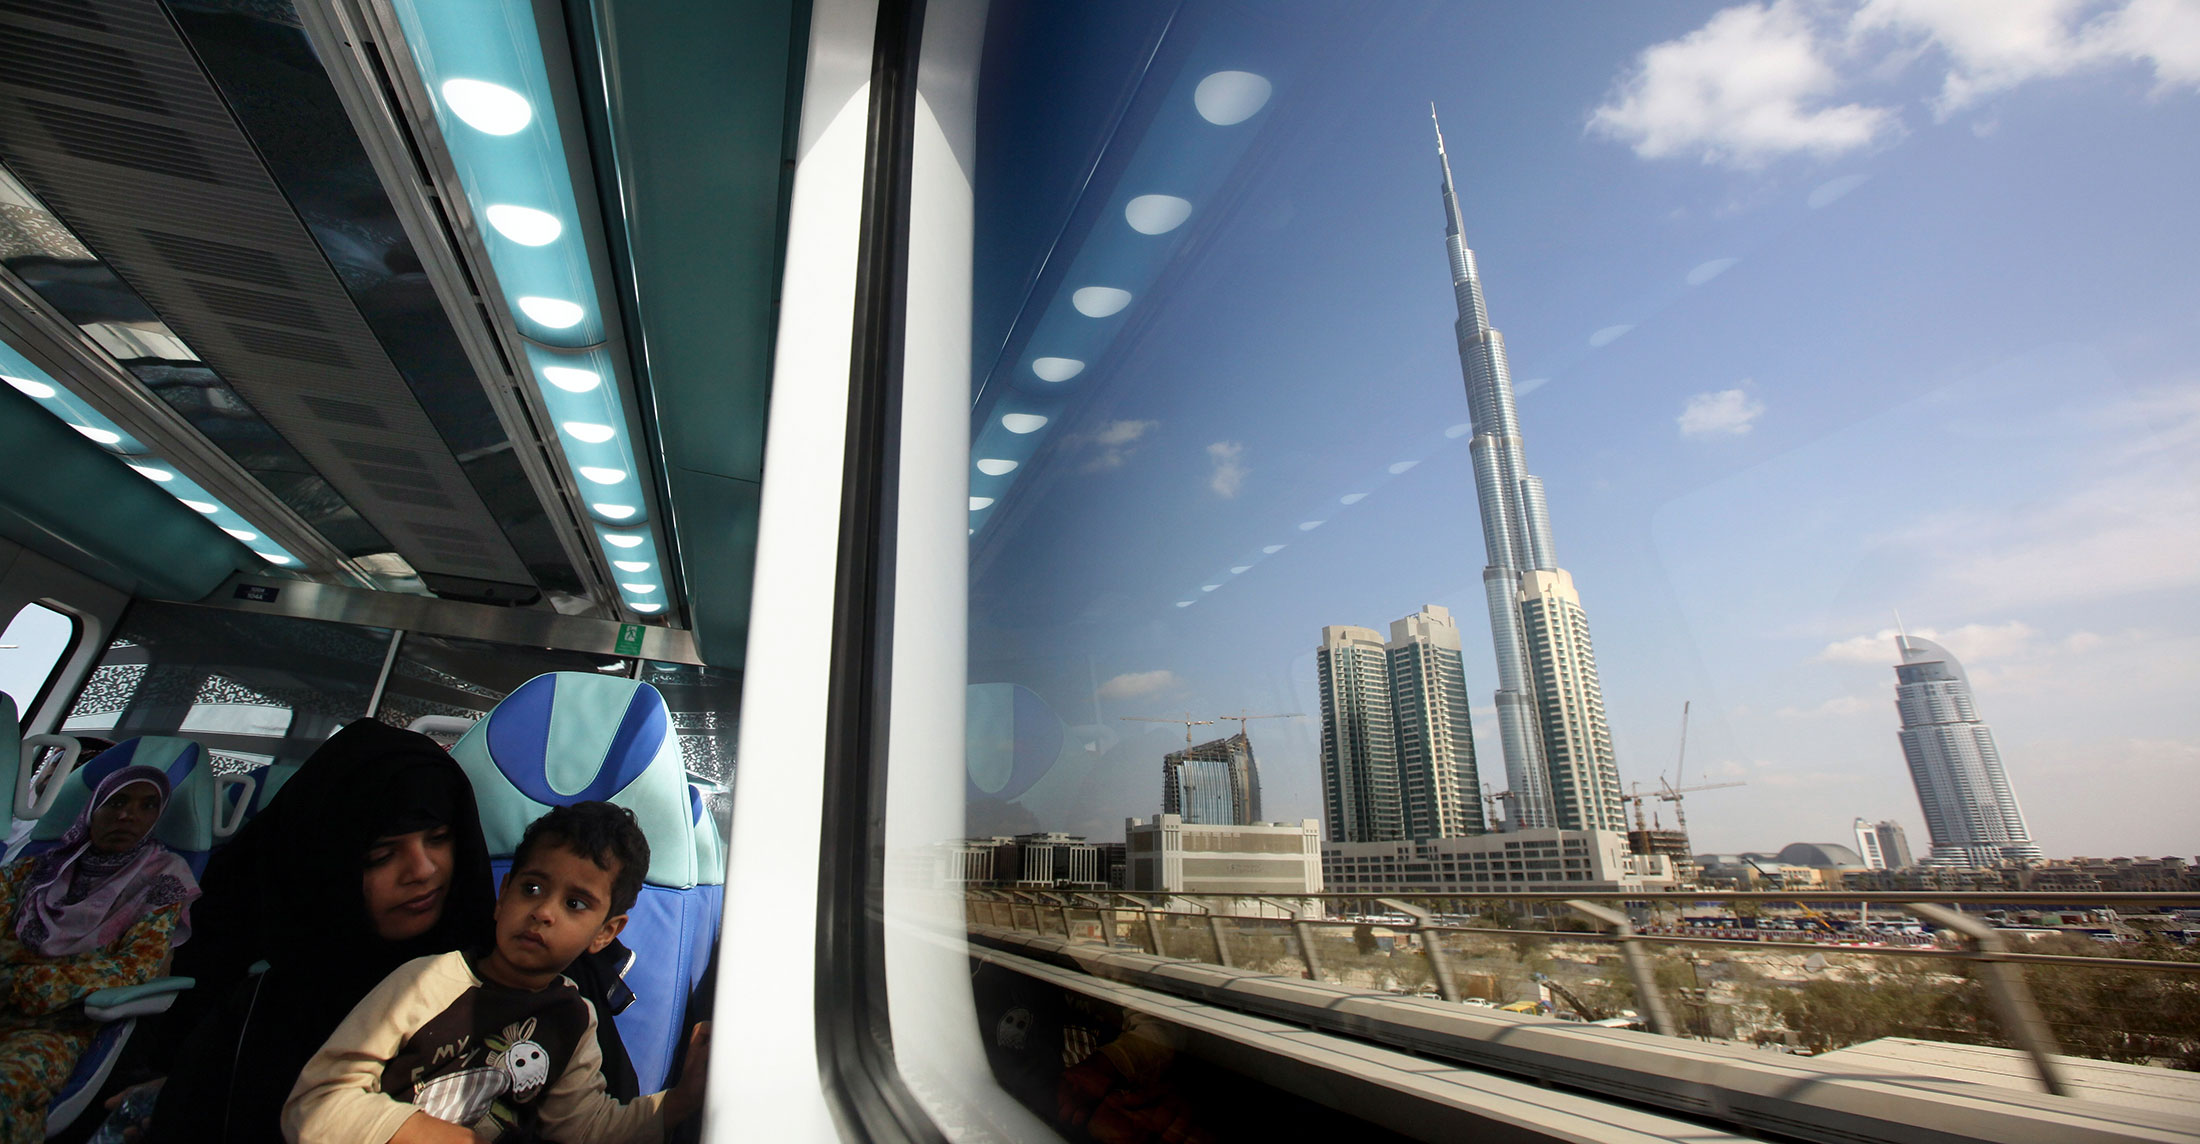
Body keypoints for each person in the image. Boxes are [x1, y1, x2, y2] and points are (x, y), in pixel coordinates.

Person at [143, 720, 497, 1143]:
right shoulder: (254, 1018)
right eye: (381, 856)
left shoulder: (503, 988)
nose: (422, 871)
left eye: (439, 838)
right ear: (326, 864)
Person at [283, 802, 710, 1143]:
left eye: (575, 904)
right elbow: (317, 1101)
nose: (543, 912)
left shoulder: (574, 1020)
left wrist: (682, 1100)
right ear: (503, 897)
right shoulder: (425, 982)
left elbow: (584, 1128)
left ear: (605, 933)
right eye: (532, 889)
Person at [0, 765, 199, 1143]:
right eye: (117, 801)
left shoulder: (163, 880)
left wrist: (42, 981)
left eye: (147, 805)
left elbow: (138, 964)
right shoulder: (37, 869)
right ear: (92, 807)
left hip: (58, 1022)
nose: (127, 815)